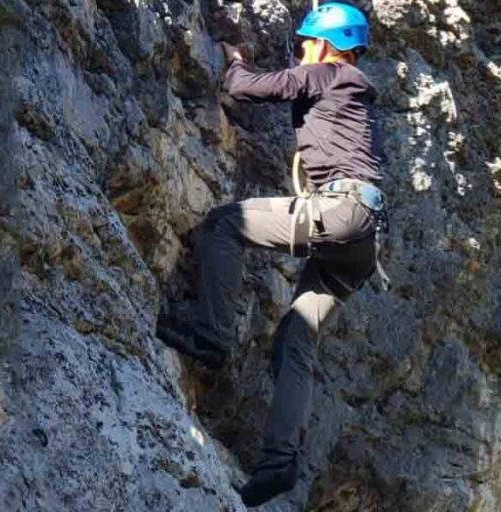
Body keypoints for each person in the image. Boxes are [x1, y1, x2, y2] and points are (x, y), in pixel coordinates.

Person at [157, 2, 387, 507]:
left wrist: (235, 58)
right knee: (295, 339)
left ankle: (210, 339)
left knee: (225, 224)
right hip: (364, 241)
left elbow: (245, 87)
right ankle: (278, 463)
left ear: (326, 45)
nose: (301, 49)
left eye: (306, 41)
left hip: (341, 211)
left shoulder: (327, 74)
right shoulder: (358, 99)